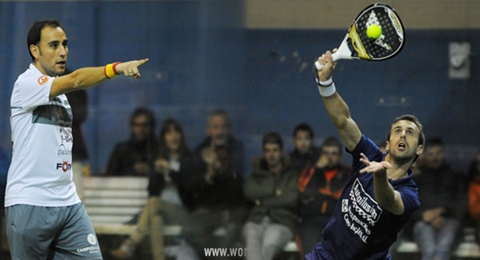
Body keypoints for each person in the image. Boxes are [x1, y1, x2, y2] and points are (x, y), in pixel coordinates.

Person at [6, 19, 148, 259]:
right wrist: (116, 68)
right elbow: (76, 80)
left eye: (65, 44)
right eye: (53, 45)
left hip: (68, 203)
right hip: (30, 203)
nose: (63, 52)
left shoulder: (60, 96)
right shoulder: (26, 84)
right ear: (35, 51)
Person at [305, 51, 425, 259]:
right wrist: (325, 82)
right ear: (388, 143)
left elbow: (389, 201)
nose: (403, 134)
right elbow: (343, 120)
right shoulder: (368, 153)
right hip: (327, 254)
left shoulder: (410, 195)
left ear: (419, 149)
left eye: (410, 132)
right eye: (397, 131)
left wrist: (379, 176)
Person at [111, 118, 196, 259]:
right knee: (155, 218)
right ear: (164, 138)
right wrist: (157, 173)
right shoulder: (159, 158)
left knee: (154, 203)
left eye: (177, 132)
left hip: (182, 212)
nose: (174, 137)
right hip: (160, 210)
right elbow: (152, 191)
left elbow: (189, 187)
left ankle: (130, 245)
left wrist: (169, 171)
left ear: (181, 135)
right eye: (169, 133)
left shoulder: (189, 159)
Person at [180, 143, 248, 260]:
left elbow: (242, 204)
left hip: (229, 218)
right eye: (218, 159)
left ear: (231, 161)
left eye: (225, 159)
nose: (221, 163)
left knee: (233, 231)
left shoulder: (236, 178)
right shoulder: (208, 177)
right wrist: (210, 175)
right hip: (208, 216)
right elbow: (189, 191)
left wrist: (230, 213)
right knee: (187, 230)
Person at [243, 132, 299, 260]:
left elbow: (291, 198)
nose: (271, 154)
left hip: (282, 222)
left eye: (275, 150)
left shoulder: (290, 174)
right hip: (256, 221)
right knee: (251, 245)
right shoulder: (257, 172)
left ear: (281, 152)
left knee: (269, 244)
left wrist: (261, 201)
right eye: (267, 151)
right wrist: (275, 191)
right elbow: (249, 191)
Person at [412, 137, 466, 260]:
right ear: (425, 156)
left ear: (444, 154)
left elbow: (462, 204)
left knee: (443, 247)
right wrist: (425, 215)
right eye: (431, 154)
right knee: (430, 249)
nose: (434, 158)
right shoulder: (417, 180)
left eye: (438, 153)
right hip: (423, 222)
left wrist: (442, 211)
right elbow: (409, 207)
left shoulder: (456, 178)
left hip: (450, 221)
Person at [298, 136, 349, 254]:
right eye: (326, 153)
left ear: (340, 156)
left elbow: (341, 196)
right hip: (310, 221)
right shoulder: (311, 170)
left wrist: (319, 193)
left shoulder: (346, 172)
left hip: (335, 222)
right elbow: (303, 191)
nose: (329, 157)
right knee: (311, 254)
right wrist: (317, 169)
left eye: (333, 153)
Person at [105, 107, 157, 176]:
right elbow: (110, 176)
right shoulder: (121, 150)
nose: (141, 130)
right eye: (138, 125)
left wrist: (149, 170)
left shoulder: (158, 150)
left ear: (151, 127)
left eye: (145, 125)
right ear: (132, 127)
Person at [196, 109, 245, 175]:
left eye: (224, 127)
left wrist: (216, 163)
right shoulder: (200, 152)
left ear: (229, 128)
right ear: (208, 130)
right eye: (215, 127)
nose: (220, 132)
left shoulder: (238, 150)